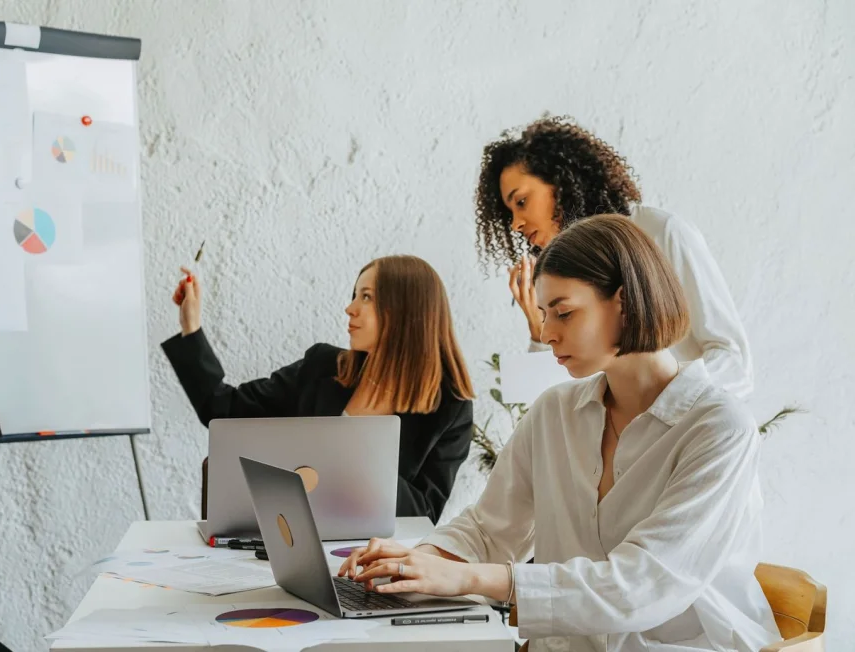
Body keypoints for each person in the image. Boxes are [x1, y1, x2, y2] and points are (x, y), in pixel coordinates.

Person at [340, 216, 781, 652]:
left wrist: (471, 578)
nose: (547, 333)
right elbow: (490, 529)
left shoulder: (719, 429)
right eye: (543, 314)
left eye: (564, 312)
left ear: (624, 302)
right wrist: (416, 562)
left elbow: (643, 586)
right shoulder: (555, 412)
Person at [161, 255, 475, 524]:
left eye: (366, 297)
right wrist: (191, 326)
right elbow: (221, 409)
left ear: (407, 311)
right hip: (290, 538)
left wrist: (354, 454)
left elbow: (425, 515)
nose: (350, 308)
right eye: (355, 294)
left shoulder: (450, 408)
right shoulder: (323, 367)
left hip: (371, 559)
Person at [475, 115, 753, 398]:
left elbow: (734, 362)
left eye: (521, 202)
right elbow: (553, 402)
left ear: (561, 183)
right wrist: (539, 327)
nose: (515, 224)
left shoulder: (662, 233)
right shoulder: (560, 275)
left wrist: (661, 403)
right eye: (509, 213)